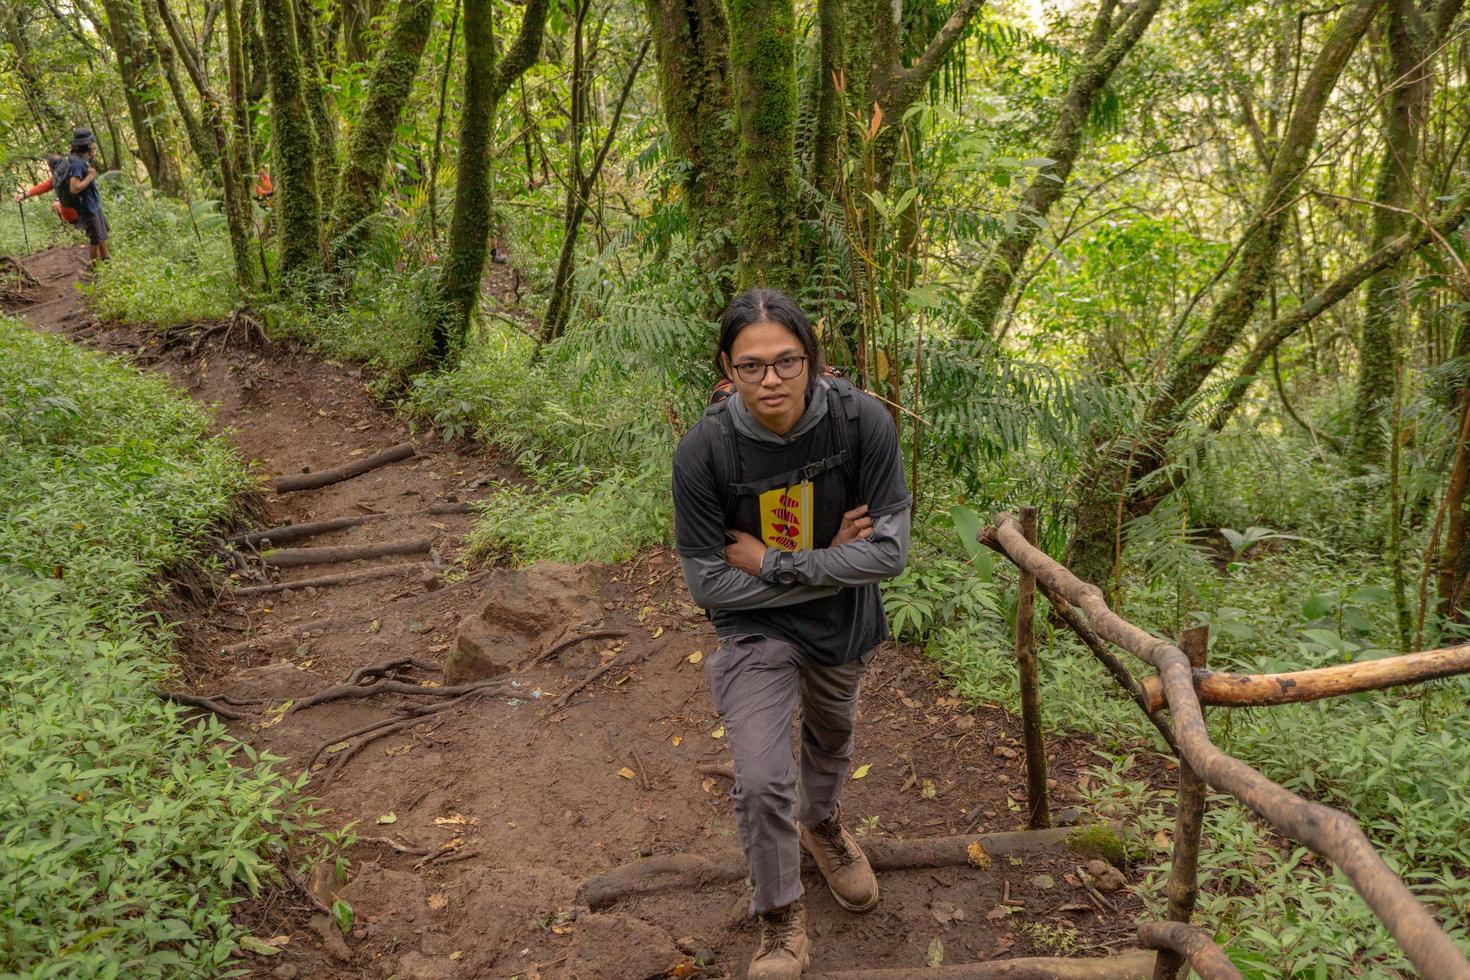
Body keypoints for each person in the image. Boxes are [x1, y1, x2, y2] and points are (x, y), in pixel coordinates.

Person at [672, 288, 912, 979]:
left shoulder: (861, 423)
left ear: (814, 362)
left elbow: (890, 554)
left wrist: (774, 561)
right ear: (726, 368)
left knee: (831, 738)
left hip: (841, 624)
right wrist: (834, 562)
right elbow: (707, 584)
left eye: (786, 362)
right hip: (753, 627)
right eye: (752, 366)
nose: (770, 380)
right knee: (760, 777)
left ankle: (824, 824)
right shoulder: (705, 451)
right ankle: (779, 918)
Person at [62, 127, 109, 264]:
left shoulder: (82, 158)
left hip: (93, 204)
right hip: (87, 207)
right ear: (86, 145)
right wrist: (90, 176)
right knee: (95, 238)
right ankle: (94, 270)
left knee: (102, 234)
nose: (93, 146)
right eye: (91, 144)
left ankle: (106, 259)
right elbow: (74, 188)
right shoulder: (76, 163)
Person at [13, 154, 80, 227]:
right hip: (72, 219)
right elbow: (43, 187)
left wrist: (57, 199)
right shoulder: (57, 178)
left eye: (49, 167)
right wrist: (24, 195)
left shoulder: (73, 174)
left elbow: (69, 190)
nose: (49, 169)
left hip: (81, 215)